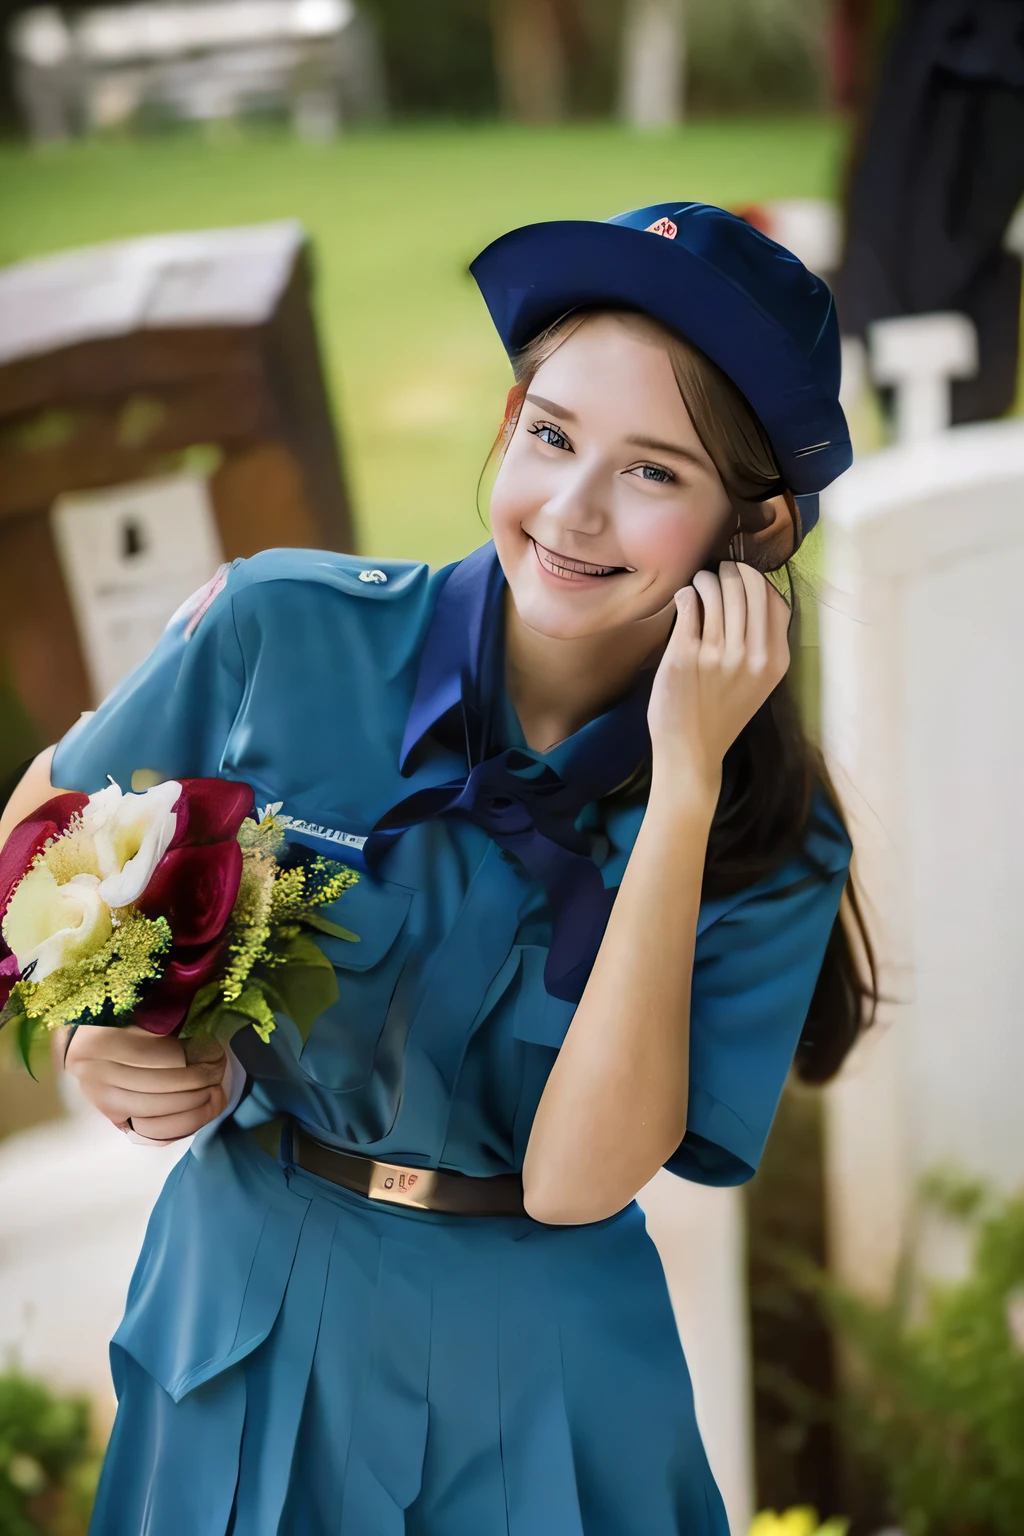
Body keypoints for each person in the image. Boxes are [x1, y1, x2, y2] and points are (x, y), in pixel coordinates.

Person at [0, 202, 875, 1535]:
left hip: (545, 1374)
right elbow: (43, 830)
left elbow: (578, 1181)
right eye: (553, 433)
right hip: (250, 1303)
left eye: (653, 473)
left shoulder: (766, 832)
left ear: (750, 536)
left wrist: (684, 780)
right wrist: (98, 1032)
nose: (572, 510)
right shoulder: (278, 629)